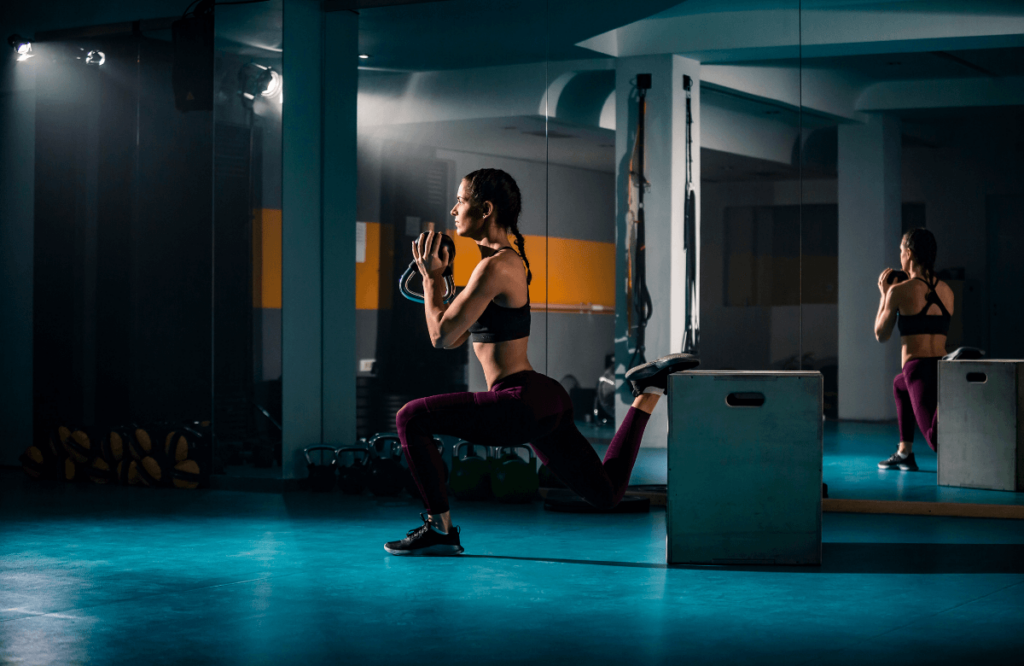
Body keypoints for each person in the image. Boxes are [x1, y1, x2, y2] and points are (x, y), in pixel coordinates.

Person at [385, 168, 698, 556]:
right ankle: (647, 392)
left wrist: (432, 281)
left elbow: (441, 337)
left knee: (409, 418)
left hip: (518, 402)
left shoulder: (495, 266)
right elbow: (458, 335)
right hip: (541, 399)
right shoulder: (498, 266)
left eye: (461, 201)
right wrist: (442, 283)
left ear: (484, 209)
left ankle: (440, 529)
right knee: (606, 494)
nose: (453, 209)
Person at [874, 228, 953, 471]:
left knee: (934, 440)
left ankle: (947, 405)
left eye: (900, 251)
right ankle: (904, 452)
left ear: (908, 253)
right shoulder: (947, 291)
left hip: (917, 370)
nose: (899, 256)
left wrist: (884, 295)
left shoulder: (899, 291)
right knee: (899, 385)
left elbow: (881, 334)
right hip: (941, 368)